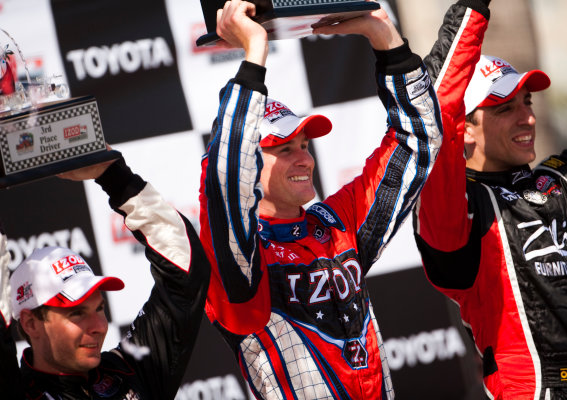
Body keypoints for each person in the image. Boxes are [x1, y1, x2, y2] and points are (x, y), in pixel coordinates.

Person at [198, 0, 488, 398]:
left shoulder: (336, 225)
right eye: (284, 150)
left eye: (304, 144)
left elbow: (419, 140)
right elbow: (225, 179)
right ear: (249, 162)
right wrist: (254, 53)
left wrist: (382, 36)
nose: (305, 158)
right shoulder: (238, 262)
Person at [0, 156, 210, 399]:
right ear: (31, 324)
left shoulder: (130, 372)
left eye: (99, 308)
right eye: (77, 313)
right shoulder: (9, 393)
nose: (99, 326)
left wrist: (114, 175)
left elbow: (185, 273)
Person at [412, 25, 567, 400]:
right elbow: (435, 118)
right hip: (531, 390)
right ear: (464, 129)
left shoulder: (554, 178)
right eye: (505, 108)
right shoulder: (459, 205)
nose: (527, 118)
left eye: (527, 102)